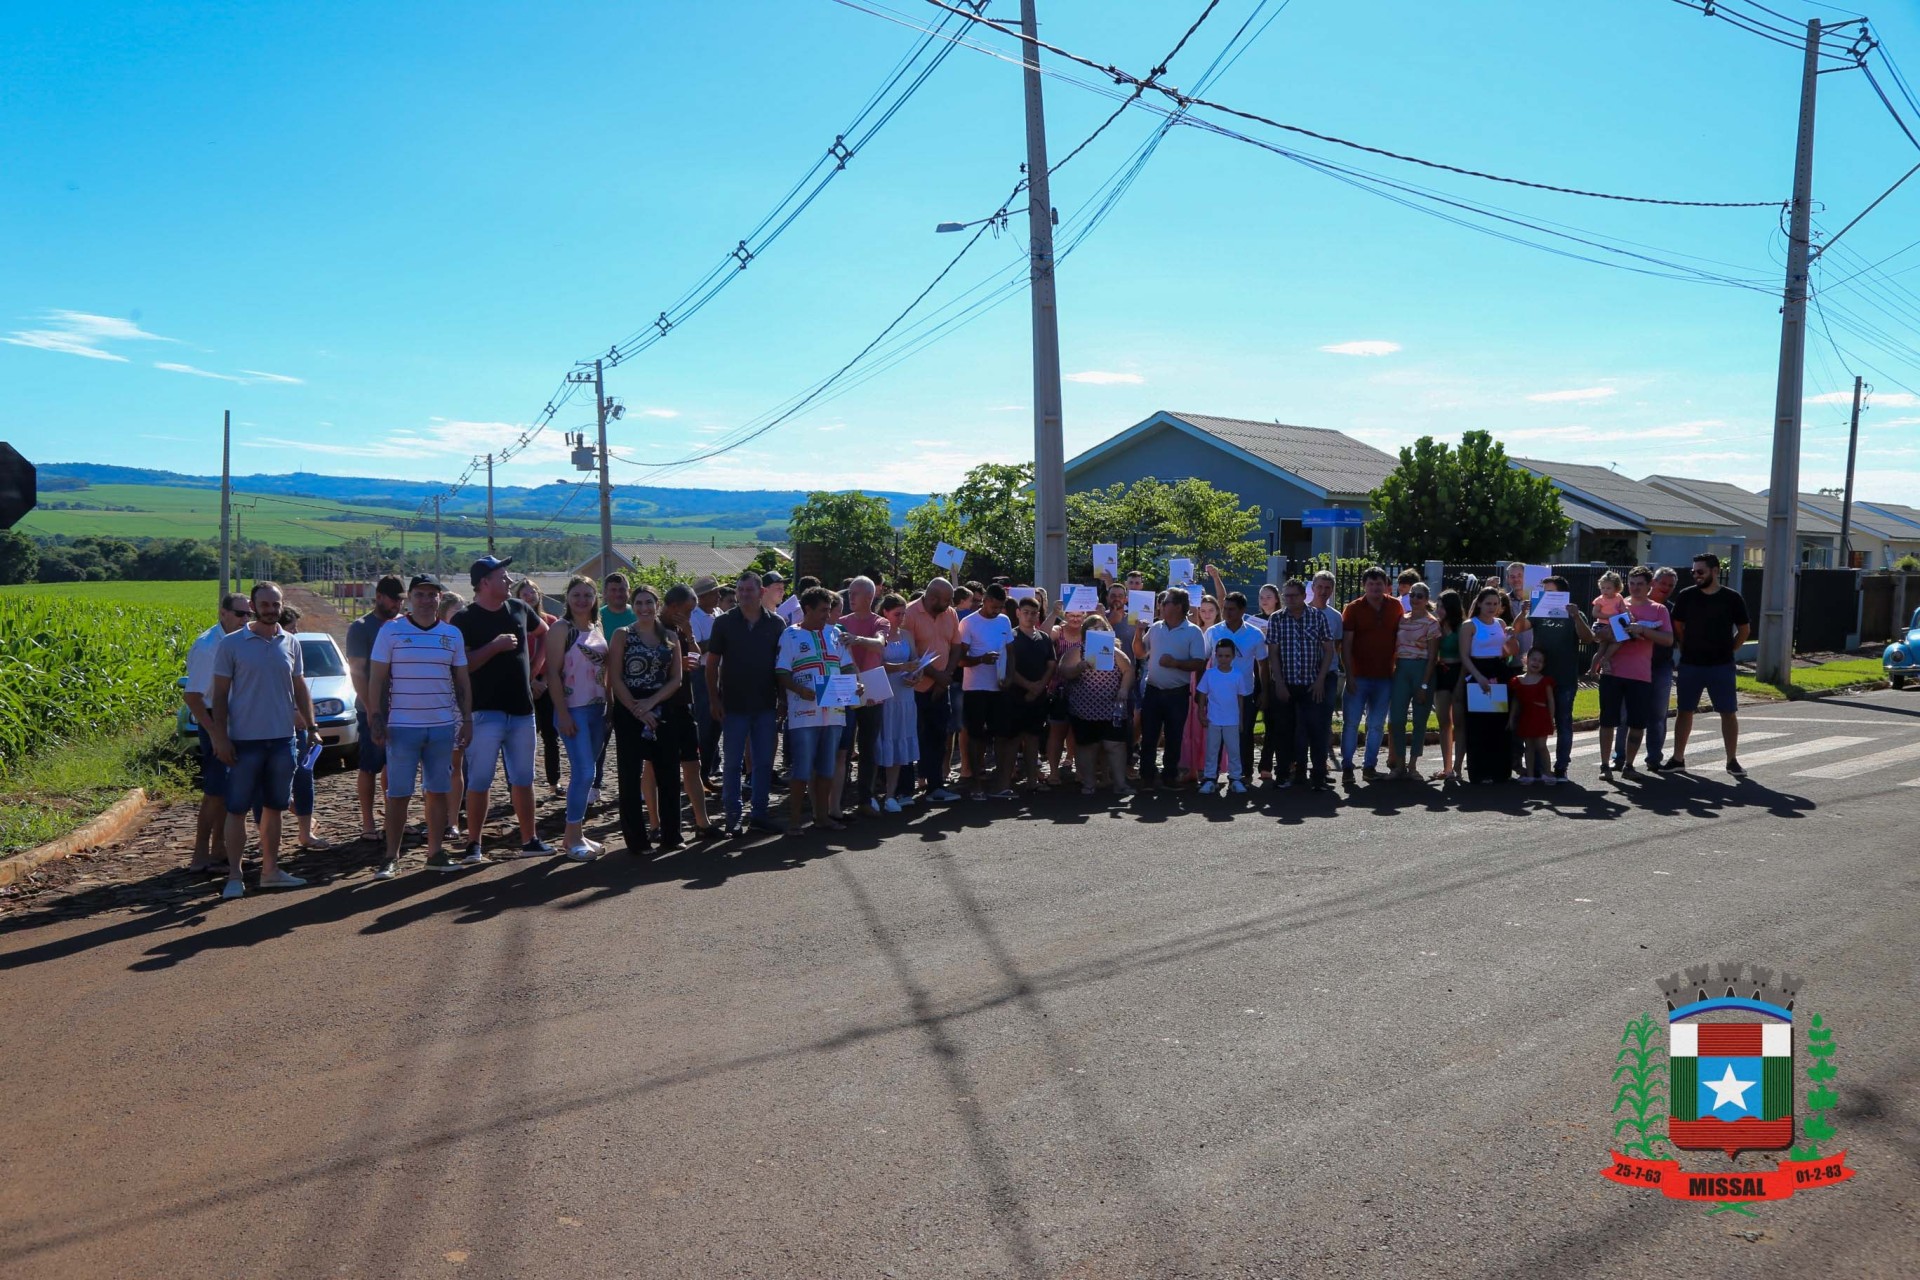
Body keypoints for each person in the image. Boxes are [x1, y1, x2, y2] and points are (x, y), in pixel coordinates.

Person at [206, 582, 315, 899]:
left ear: (282, 606)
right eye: (265, 604)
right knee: (237, 809)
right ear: (253, 607)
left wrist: (311, 725)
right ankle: (235, 876)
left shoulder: (291, 642)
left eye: (276, 604)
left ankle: (271, 871)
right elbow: (221, 695)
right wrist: (221, 737)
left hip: (282, 740)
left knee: (275, 808)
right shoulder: (232, 645)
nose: (271, 609)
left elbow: (300, 687)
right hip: (244, 742)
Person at [368, 574, 475, 879]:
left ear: (440, 598)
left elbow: (462, 680)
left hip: (442, 726)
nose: (427, 600)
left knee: (438, 791)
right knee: (398, 794)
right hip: (402, 726)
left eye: (432, 595)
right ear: (410, 598)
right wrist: (375, 717)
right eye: (421, 594)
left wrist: (466, 719)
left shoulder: (452, 635)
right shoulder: (391, 630)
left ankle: (435, 852)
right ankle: (391, 856)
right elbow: (377, 677)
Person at [453, 556, 553, 860]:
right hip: (484, 712)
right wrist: (493, 647)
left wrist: (535, 671)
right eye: (503, 577)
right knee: (480, 781)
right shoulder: (464, 619)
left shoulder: (519, 609)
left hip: (522, 711)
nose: (509, 582)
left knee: (524, 779)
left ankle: (529, 840)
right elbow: (462, 665)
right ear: (485, 583)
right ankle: (474, 843)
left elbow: (545, 633)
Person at [705, 570, 786, 835]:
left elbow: (782, 666)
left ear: (761, 592)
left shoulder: (776, 624)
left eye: (749, 590)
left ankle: (760, 814)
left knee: (763, 762)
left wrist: (783, 700)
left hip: (765, 703)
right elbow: (712, 663)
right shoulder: (725, 623)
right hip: (733, 704)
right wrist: (714, 699)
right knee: (732, 764)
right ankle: (733, 816)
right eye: (740, 590)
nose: (743, 594)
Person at [610, 584, 688, 854]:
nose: (644, 608)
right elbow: (615, 677)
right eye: (639, 603)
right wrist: (636, 709)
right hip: (629, 708)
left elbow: (677, 678)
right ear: (634, 606)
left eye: (649, 603)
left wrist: (651, 704)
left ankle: (671, 835)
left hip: (661, 706)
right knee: (630, 777)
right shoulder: (622, 635)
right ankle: (637, 840)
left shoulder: (670, 637)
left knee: (668, 773)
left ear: (657, 605)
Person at [775, 586, 853, 833]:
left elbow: (848, 667)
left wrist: (857, 685)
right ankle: (795, 821)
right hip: (803, 714)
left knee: (827, 768)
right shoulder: (790, 635)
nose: (826, 616)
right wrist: (798, 690)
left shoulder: (836, 634)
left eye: (829, 611)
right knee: (802, 768)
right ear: (806, 610)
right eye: (822, 611)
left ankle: (822, 817)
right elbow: (781, 672)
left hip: (834, 712)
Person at [183, 592, 251, 873]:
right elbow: (193, 697)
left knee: (228, 790)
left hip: (236, 718)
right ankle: (200, 855)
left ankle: (219, 850)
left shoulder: (242, 641)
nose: (245, 619)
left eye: (249, 614)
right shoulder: (208, 646)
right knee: (214, 791)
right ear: (223, 613)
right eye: (239, 614)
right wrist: (215, 733)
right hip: (213, 719)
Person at [1666, 553, 1752, 776]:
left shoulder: (1731, 598)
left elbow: (1744, 629)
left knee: (1728, 711)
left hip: (1721, 665)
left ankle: (1732, 760)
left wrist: (1731, 648)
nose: (1696, 575)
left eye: (1700, 571)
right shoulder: (1686, 596)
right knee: (1684, 710)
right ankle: (1677, 759)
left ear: (1715, 571)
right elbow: (1677, 624)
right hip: (1691, 664)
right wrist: (1685, 645)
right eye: (1693, 572)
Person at [543, 575, 609, 860]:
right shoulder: (561, 629)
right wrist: (562, 712)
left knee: (586, 772)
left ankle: (577, 833)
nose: (582, 600)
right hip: (574, 709)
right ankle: (571, 838)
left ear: (595, 599)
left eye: (588, 595)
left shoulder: (597, 627)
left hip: (599, 709)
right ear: (567, 597)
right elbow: (552, 674)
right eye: (576, 594)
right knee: (585, 773)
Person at [1592, 566, 1672, 779]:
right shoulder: (1617, 603)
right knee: (1608, 720)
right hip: (1612, 672)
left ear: (1649, 586)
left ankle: (1629, 764)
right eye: (1632, 584)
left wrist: (1643, 630)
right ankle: (1605, 765)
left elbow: (1668, 639)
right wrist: (1605, 633)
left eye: (1640, 584)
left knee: (1637, 723)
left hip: (1640, 674)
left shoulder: (1658, 610)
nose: (1635, 588)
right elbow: (1597, 633)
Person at [344, 575, 402, 842]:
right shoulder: (361, 627)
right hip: (372, 709)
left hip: (402, 708)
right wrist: (371, 709)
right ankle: (368, 822)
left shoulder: (402, 625)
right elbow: (357, 672)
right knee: (369, 766)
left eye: (401, 599)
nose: (398, 605)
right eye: (394, 599)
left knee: (397, 766)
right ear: (379, 597)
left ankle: (395, 817)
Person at [1264, 579, 1337, 791]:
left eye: (1293, 595)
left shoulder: (1317, 617)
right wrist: (1278, 682)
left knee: (1316, 730)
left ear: (1303, 596)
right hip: (1286, 683)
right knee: (1284, 730)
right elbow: (1273, 653)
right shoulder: (1277, 619)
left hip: (1311, 684)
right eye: (1286, 596)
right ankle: (1286, 773)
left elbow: (1328, 650)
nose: (1289, 600)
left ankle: (1318, 776)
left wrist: (1320, 680)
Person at [657, 584, 717, 838]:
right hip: (660, 706)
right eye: (688, 611)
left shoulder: (682, 629)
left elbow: (696, 656)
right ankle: (656, 824)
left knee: (692, 763)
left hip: (683, 703)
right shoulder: (656, 630)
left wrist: (690, 635)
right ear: (673, 608)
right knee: (655, 768)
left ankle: (702, 823)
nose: (691, 615)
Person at [1134, 589, 1208, 790]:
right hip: (1153, 690)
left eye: (1164, 602)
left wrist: (1175, 663)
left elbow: (1199, 663)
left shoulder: (1193, 632)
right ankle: (1147, 776)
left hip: (1177, 693)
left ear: (1177, 606)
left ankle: (1169, 776)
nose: (1160, 606)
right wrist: (1138, 633)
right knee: (1148, 736)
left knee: (1174, 737)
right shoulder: (1156, 627)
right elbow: (1140, 653)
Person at [1528, 575, 1597, 781]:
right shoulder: (1538, 612)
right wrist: (1524, 611)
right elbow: (1521, 627)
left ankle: (1561, 766)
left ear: (1562, 594)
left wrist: (1576, 617)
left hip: (1564, 677)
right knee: (1538, 722)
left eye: (1550, 592)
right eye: (1544, 592)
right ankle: (1539, 766)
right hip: (1540, 678)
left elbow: (1588, 638)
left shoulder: (1574, 614)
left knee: (1564, 721)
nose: (1545, 595)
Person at [272, 606, 330, 852]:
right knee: (272, 782)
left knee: (304, 777)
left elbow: (300, 685)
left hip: (298, 728)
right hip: (272, 728)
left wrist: (308, 721)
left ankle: (305, 832)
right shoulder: (264, 650)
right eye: (292, 627)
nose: (296, 632)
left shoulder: (292, 648)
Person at [1060, 612, 1134, 796]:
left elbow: (1129, 670)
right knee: (1087, 746)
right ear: (1085, 633)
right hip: (1084, 710)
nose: (1097, 631)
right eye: (1093, 629)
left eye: (1101, 628)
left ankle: (1120, 784)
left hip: (1112, 709)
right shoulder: (1077, 651)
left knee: (1115, 745)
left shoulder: (1115, 651)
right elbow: (1064, 671)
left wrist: (1124, 689)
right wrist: (1078, 668)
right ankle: (1089, 783)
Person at [1340, 567, 1404, 779]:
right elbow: (1346, 645)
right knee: (1350, 723)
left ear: (1386, 586)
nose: (1375, 588)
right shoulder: (1353, 608)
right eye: (1370, 584)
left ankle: (1369, 767)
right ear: (1364, 586)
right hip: (1358, 676)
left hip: (1385, 676)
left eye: (1379, 584)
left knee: (1376, 725)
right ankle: (1348, 767)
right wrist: (1348, 675)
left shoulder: (1395, 606)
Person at [954, 583, 1016, 801]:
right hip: (975, 688)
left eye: (1000, 607)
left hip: (998, 688)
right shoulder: (968, 622)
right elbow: (959, 660)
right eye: (994, 606)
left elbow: (1010, 651)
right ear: (986, 600)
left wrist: (1009, 677)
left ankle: (1000, 783)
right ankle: (976, 782)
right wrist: (981, 659)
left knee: (1001, 735)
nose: (997, 610)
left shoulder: (1005, 621)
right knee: (976, 736)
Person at [902, 577, 962, 803]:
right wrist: (938, 677)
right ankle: (905, 788)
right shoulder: (909, 614)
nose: (949, 603)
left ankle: (935, 786)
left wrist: (945, 677)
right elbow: (911, 653)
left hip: (940, 688)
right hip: (914, 688)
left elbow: (955, 646)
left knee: (938, 736)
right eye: (946, 599)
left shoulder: (951, 614)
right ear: (932, 597)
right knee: (912, 737)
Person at [1204, 585, 1269, 791]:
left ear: (1242, 610)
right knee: (1216, 738)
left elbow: (1263, 665)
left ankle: (1243, 775)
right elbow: (1203, 661)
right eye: (1225, 608)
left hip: (1244, 694)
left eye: (1232, 609)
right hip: (1216, 696)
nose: (1227, 612)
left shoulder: (1255, 634)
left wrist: (1265, 691)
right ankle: (1211, 776)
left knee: (1243, 735)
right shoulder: (1213, 632)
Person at [1459, 586, 1523, 785]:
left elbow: (1509, 652)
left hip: (1499, 670)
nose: (1492, 607)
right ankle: (1479, 771)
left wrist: (1512, 638)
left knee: (1499, 722)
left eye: (1495, 604)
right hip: (1478, 671)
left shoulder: (1501, 623)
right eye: (1488, 603)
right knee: (1479, 724)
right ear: (1479, 603)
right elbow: (1464, 655)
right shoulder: (1470, 625)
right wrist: (1478, 676)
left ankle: (1500, 771)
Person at [840, 576, 889, 813]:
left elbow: (880, 644)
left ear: (869, 597)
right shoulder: (840, 622)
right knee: (844, 746)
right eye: (849, 593)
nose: (849, 597)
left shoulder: (880, 622)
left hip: (872, 686)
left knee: (869, 745)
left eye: (854, 594)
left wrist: (856, 639)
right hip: (845, 686)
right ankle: (837, 799)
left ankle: (865, 798)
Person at [1001, 595, 1057, 791]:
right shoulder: (1010, 637)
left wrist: (1039, 687)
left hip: (1038, 698)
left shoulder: (1044, 638)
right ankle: (1004, 784)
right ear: (1017, 613)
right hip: (1014, 697)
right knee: (1012, 741)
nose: (1030, 616)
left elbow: (1051, 664)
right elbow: (1007, 666)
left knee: (1033, 740)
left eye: (1034, 613)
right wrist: (1028, 686)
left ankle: (1033, 782)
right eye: (1026, 612)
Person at [1386, 583, 1441, 780]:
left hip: (1422, 670)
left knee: (1419, 719)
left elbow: (1433, 656)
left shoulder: (1432, 623)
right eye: (1412, 595)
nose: (1415, 599)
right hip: (1401, 670)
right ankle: (1399, 764)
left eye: (1419, 596)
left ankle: (1413, 765)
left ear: (1426, 600)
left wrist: (1424, 685)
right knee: (1397, 719)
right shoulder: (1402, 619)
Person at [872, 593, 921, 811]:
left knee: (899, 741)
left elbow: (916, 661)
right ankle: (871, 792)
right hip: (883, 692)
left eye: (903, 613)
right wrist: (901, 668)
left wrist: (916, 675)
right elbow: (876, 663)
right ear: (885, 612)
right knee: (879, 742)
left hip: (905, 695)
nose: (901, 618)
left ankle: (891, 794)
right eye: (897, 614)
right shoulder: (877, 634)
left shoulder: (907, 635)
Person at [517, 578, 563, 797]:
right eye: (524, 593)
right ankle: (519, 785)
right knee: (524, 739)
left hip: (546, 686)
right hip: (521, 686)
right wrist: (529, 681)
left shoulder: (551, 621)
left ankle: (554, 781)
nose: (529, 596)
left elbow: (557, 656)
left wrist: (543, 680)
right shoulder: (513, 621)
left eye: (533, 591)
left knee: (550, 735)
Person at [1194, 639, 1247, 795]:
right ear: (1215, 656)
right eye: (1221, 656)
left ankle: (1235, 778)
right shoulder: (1210, 674)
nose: (1224, 659)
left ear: (1233, 657)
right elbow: (1202, 694)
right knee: (1212, 750)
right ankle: (1210, 778)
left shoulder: (1237, 675)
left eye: (1227, 656)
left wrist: (1241, 720)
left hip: (1232, 721)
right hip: (1214, 720)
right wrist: (1201, 713)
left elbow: (1240, 698)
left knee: (1234, 750)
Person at [689, 574, 723, 790]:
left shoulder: (718, 613)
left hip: (721, 672)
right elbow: (698, 647)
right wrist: (722, 640)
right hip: (701, 674)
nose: (719, 596)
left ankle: (706, 772)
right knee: (705, 724)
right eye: (714, 593)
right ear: (703, 597)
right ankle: (699, 774)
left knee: (716, 725)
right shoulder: (694, 618)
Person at [1430, 589, 1466, 783]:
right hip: (1441, 673)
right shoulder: (1436, 625)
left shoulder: (1461, 627)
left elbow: (1464, 656)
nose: (1439, 609)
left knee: (1459, 722)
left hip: (1458, 671)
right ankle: (1447, 767)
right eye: (1438, 606)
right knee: (1444, 721)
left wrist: (1460, 682)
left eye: (1443, 606)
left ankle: (1458, 766)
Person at [1508, 648, 1558, 784]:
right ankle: (1529, 774)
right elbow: (1516, 702)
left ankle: (1547, 773)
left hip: (1541, 716)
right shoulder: (1517, 681)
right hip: (1526, 716)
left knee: (1541, 746)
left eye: (1540, 661)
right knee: (1528, 746)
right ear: (1526, 660)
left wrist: (1551, 718)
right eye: (1534, 659)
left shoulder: (1545, 681)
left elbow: (1551, 701)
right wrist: (1512, 718)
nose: (1537, 663)